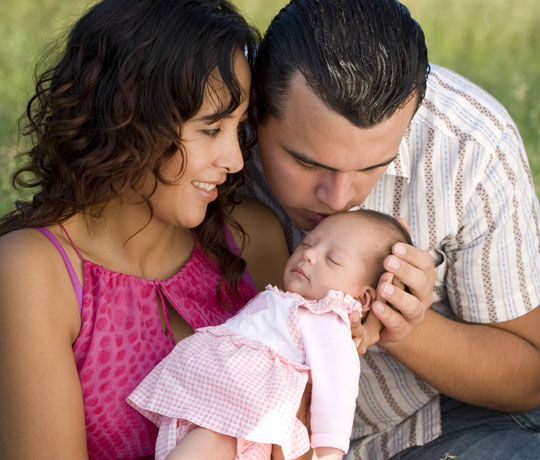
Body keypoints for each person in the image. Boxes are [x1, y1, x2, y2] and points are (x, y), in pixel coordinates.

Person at [242, 0, 540, 459]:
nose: (339, 198)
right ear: (255, 111)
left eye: (372, 166)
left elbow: (530, 378)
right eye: (306, 162)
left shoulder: (471, 150)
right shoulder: (217, 116)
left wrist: (404, 326)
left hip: (445, 422)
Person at [0, 1, 293, 459]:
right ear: (129, 117)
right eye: (211, 128)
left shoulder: (251, 239)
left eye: (240, 128)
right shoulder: (36, 272)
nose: (236, 161)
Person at [127, 210, 412, 460]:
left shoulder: (326, 319)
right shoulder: (284, 301)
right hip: (224, 406)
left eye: (332, 259)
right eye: (308, 242)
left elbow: (337, 385)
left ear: (363, 299)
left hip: (245, 416)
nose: (309, 254)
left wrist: (329, 451)